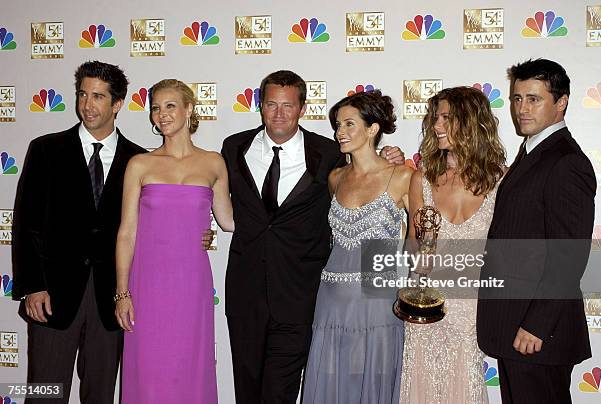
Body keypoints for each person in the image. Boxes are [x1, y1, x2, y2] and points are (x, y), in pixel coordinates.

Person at [219, 70, 404, 404]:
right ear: (260, 106)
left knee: (280, 391)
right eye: (271, 104)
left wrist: (391, 154)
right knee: (246, 388)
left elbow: (367, 173)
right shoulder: (234, 147)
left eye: (288, 106)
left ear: (302, 108)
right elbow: (212, 198)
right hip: (245, 292)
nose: (278, 113)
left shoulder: (328, 154)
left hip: (303, 296)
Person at [11, 61, 146, 403]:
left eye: (98, 96)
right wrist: (33, 286)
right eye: (83, 94)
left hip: (111, 297)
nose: (87, 104)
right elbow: (26, 223)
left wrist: (197, 235)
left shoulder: (140, 160)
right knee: (44, 392)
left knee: (99, 394)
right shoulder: (45, 149)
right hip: (52, 295)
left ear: (117, 104)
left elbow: (152, 224)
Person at [477, 59, 596, 404]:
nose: (522, 109)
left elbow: (568, 256)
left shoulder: (565, 162)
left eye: (534, 99)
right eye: (517, 99)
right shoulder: (533, 152)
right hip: (516, 325)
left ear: (561, 102)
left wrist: (537, 324)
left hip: (538, 333)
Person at [114, 79, 233, 403]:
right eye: (155, 108)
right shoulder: (140, 164)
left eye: (169, 106)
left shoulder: (213, 162)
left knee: (190, 365)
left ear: (189, 109)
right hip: (148, 282)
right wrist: (123, 293)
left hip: (191, 282)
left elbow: (229, 220)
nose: (161, 115)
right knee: (149, 368)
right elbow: (126, 232)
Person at [302, 90, 412, 404]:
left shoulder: (403, 176)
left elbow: (423, 239)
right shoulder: (335, 177)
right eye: (338, 124)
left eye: (350, 124)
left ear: (373, 128)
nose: (340, 132)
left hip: (378, 302)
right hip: (332, 302)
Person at [400, 86, 506, 404]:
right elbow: (411, 248)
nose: (436, 125)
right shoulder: (422, 179)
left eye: (446, 117)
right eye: (435, 118)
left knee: (466, 387)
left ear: (471, 121)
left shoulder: (502, 180)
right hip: (427, 307)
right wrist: (421, 251)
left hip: (473, 309)